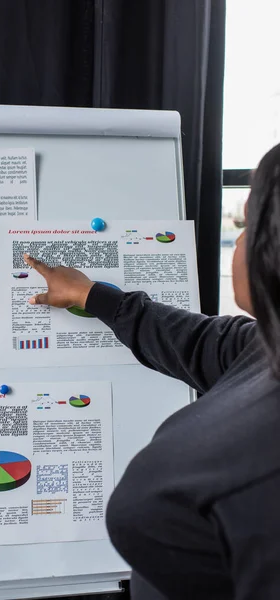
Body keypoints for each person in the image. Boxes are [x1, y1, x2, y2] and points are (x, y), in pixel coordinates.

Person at [23, 142, 280, 600]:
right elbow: (197, 342)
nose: (238, 241)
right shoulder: (265, 347)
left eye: (247, 225)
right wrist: (94, 297)